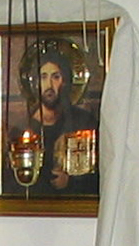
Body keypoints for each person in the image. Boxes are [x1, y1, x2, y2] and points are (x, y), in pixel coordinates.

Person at [27, 43, 99, 195]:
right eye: (43, 77)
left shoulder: (83, 121)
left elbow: (99, 170)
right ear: (36, 83)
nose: (49, 85)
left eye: (56, 77)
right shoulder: (25, 126)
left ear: (64, 81)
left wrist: (71, 181)